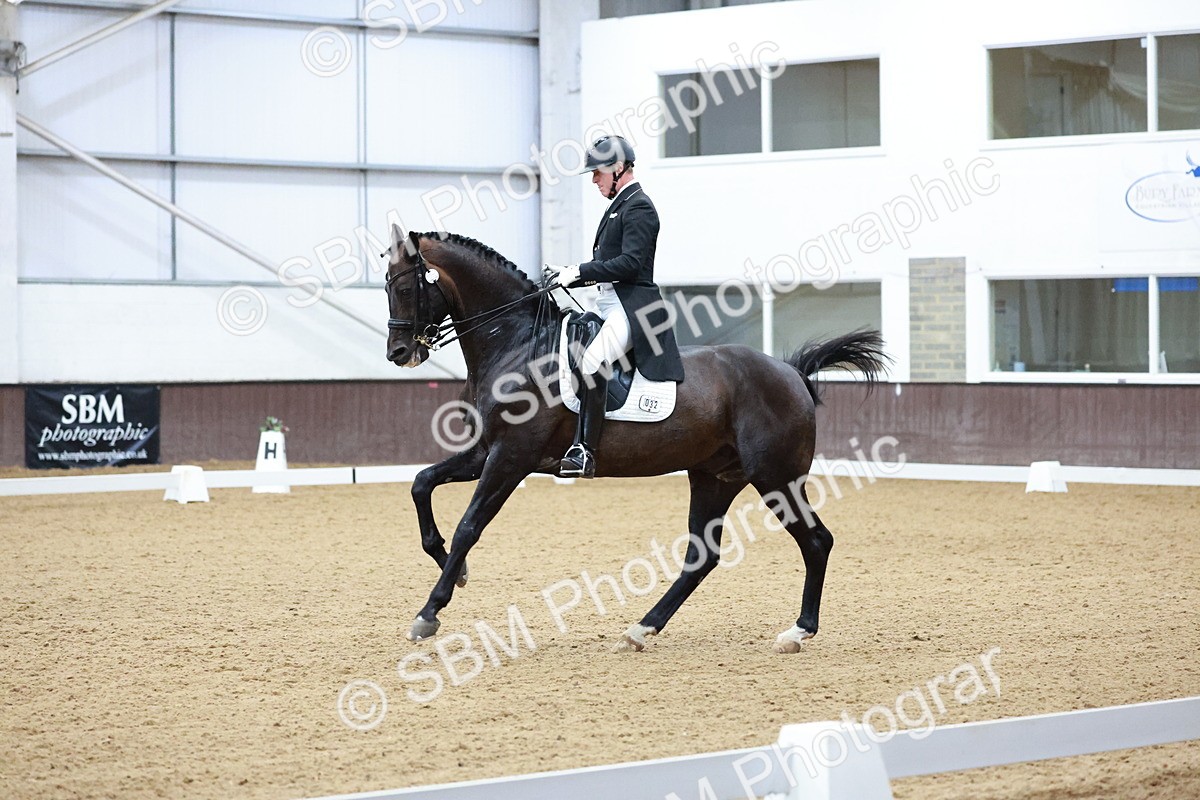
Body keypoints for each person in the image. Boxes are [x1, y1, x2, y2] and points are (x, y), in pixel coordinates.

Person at [543, 134, 685, 479]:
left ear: (618, 168)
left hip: (631, 308)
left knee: (592, 361)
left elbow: (630, 265)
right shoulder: (619, 206)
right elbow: (607, 265)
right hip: (609, 303)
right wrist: (567, 275)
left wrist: (579, 271)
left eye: (598, 172)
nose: (594, 179)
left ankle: (585, 451)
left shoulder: (639, 206)